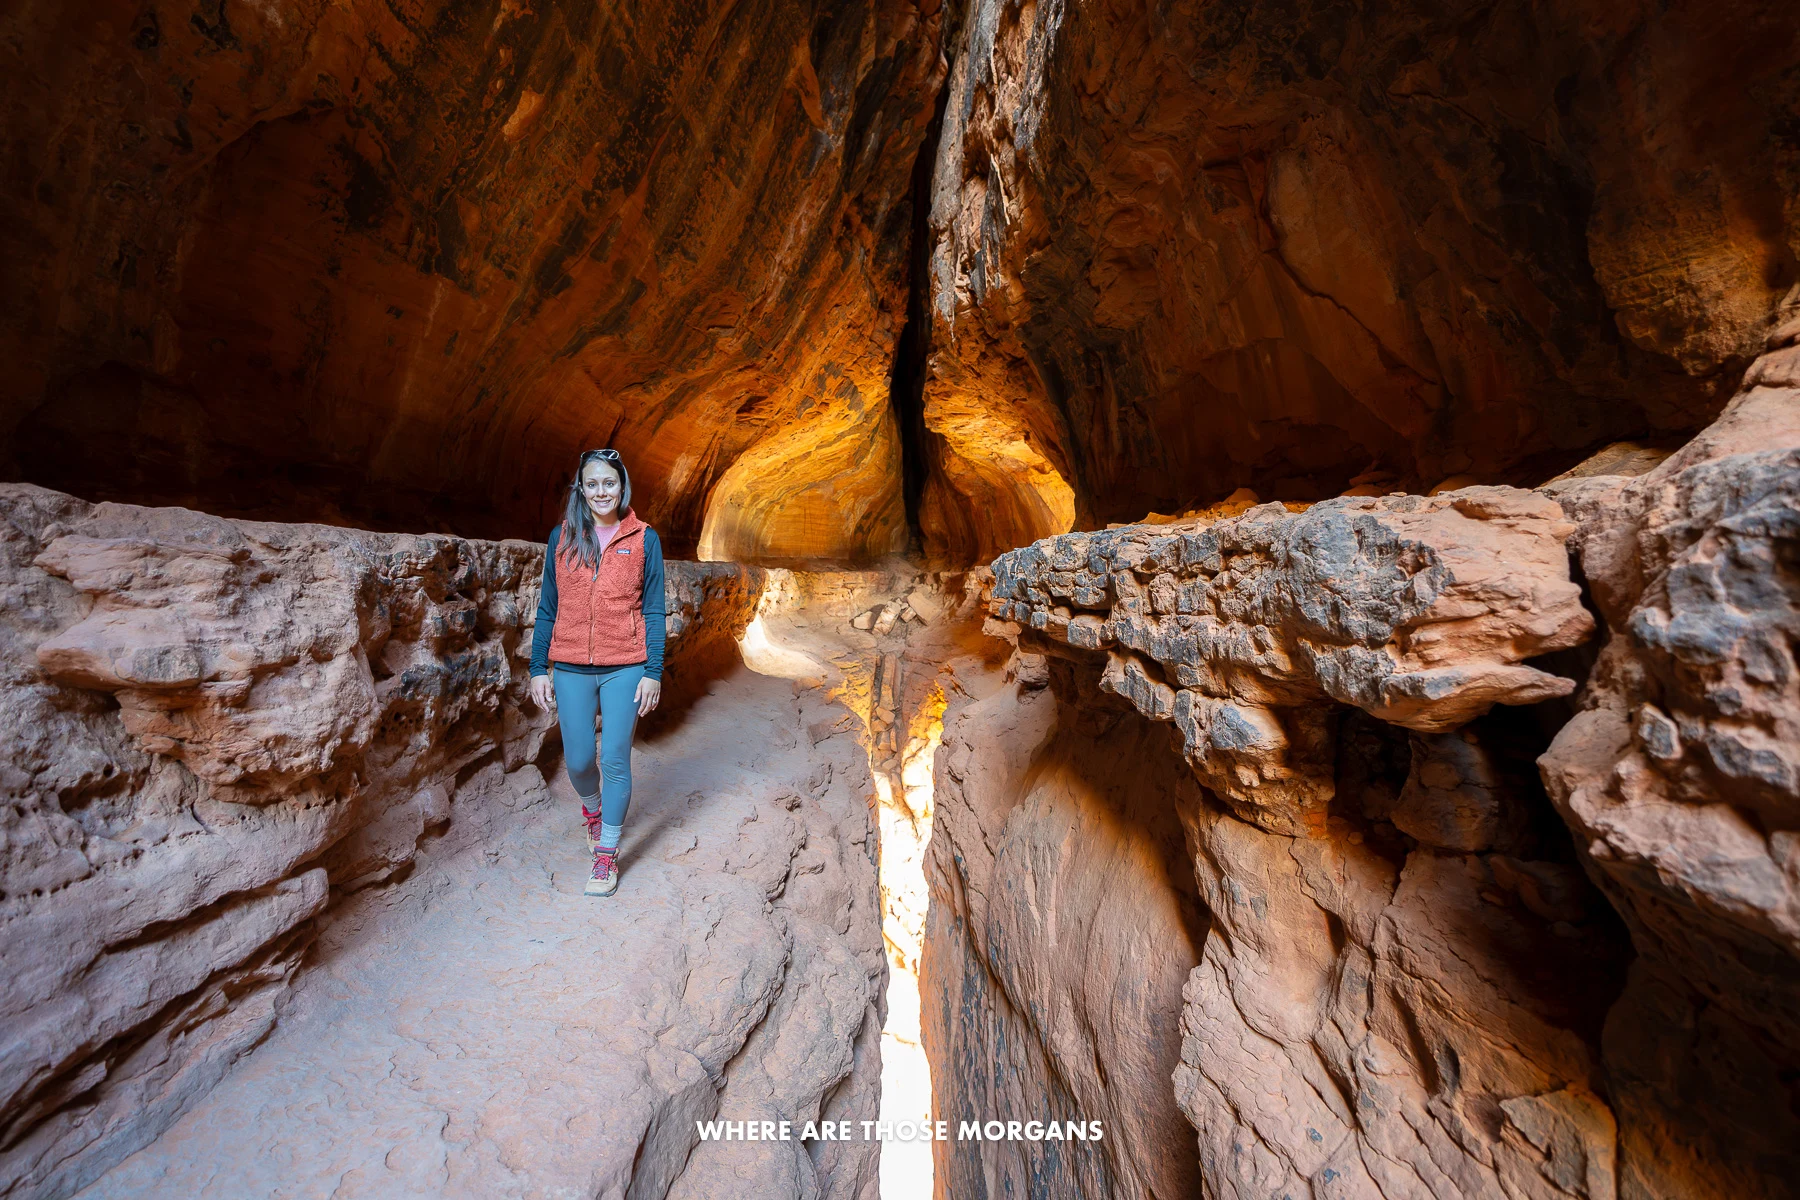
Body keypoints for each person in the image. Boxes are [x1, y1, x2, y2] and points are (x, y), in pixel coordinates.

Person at [528, 448, 665, 897]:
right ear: (581, 489)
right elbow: (548, 606)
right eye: (593, 484)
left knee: (614, 760)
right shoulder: (562, 538)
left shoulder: (644, 539)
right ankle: (592, 810)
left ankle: (606, 855)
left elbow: (654, 610)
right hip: (569, 665)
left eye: (610, 483)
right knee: (581, 760)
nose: (602, 491)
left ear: (622, 487)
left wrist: (653, 671)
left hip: (625, 665)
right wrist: (537, 668)